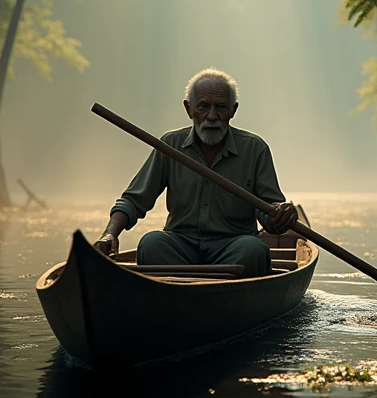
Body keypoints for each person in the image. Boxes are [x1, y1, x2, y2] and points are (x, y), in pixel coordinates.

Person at [94, 68, 298, 276]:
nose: (212, 116)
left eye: (220, 107)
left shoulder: (255, 149)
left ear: (233, 110)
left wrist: (281, 215)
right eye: (203, 107)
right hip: (181, 246)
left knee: (254, 250)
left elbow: (271, 211)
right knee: (151, 243)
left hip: (233, 248)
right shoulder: (170, 145)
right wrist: (109, 234)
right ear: (188, 109)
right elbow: (133, 200)